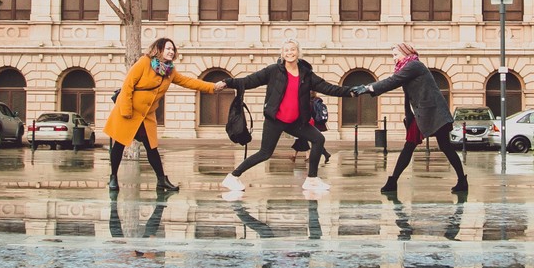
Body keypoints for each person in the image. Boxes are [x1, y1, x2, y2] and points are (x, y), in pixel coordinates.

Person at [220, 39, 352, 193]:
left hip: (295, 121)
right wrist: (227, 82)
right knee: (265, 153)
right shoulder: (274, 71)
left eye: (293, 49)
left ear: (298, 52)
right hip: (275, 120)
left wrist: (351, 91)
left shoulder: (306, 74)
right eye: (286, 50)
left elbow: (329, 88)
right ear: (282, 54)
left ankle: (312, 179)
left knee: (318, 139)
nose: (290, 52)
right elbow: (250, 80)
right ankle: (233, 177)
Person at [103, 37, 225, 192]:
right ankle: (113, 178)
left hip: (147, 116)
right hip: (129, 111)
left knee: (151, 148)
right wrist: (126, 110)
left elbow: (188, 81)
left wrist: (213, 87)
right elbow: (128, 85)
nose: (171, 51)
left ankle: (161, 180)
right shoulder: (144, 62)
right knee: (119, 145)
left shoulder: (170, 71)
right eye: (168, 48)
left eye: (173, 49)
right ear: (158, 49)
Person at [351, 43, 468, 193]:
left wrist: (367, 88)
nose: (394, 58)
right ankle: (393, 181)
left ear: (406, 53)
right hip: (422, 113)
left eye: (396, 55)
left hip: (433, 113)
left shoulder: (414, 65)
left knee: (444, 146)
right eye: (393, 55)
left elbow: (392, 81)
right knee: (410, 146)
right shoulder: (407, 67)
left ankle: (462, 181)